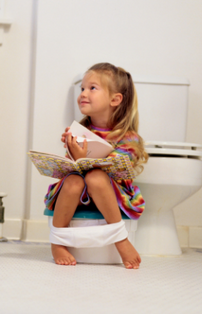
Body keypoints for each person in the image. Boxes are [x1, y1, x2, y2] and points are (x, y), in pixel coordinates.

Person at [45, 62, 148, 268]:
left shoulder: (128, 137)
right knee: (73, 180)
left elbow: (120, 170)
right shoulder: (79, 131)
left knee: (96, 177)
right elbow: (73, 169)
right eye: (82, 88)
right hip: (79, 194)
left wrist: (88, 160)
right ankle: (58, 242)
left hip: (111, 193)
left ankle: (120, 239)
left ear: (115, 99)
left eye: (92, 88)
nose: (83, 93)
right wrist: (74, 155)